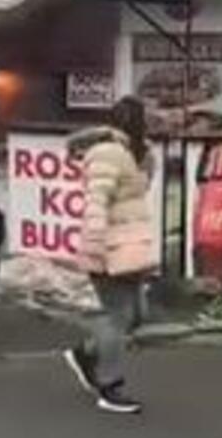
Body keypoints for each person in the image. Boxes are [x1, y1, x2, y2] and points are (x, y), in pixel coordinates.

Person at [62, 96, 155, 415]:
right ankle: (109, 386)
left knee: (137, 314)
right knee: (116, 317)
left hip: (131, 247)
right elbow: (95, 201)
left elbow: (137, 190)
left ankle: (87, 353)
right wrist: (96, 241)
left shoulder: (136, 153)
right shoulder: (107, 153)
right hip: (108, 247)